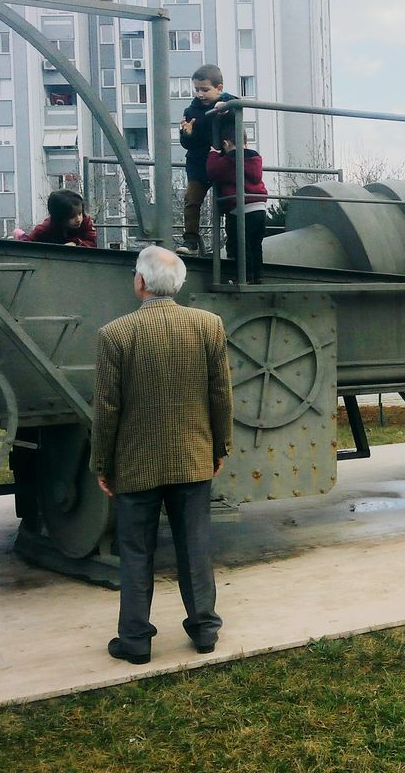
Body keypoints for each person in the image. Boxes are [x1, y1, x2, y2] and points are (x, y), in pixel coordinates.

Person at [91, 245, 232, 664]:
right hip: (193, 457)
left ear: (140, 282)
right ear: (180, 284)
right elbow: (220, 393)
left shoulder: (114, 335)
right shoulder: (209, 326)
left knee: (136, 551)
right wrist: (220, 445)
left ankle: (135, 641)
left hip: (136, 464)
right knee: (195, 545)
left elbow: (107, 409)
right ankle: (204, 630)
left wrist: (103, 463)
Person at [176, 64, 236, 255]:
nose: (200, 94)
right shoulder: (191, 111)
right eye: (197, 90)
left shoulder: (226, 104)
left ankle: (232, 242)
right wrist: (187, 134)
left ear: (219, 88)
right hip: (198, 165)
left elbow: (237, 107)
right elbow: (186, 144)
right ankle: (191, 241)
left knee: (228, 203)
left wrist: (225, 104)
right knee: (192, 201)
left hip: (221, 164)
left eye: (205, 90)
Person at [205, 132, 268, 283]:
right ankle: (258, 277)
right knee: (255, 245)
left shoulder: (231, 160)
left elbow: (212, 172)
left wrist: (213, 154)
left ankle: (244, 277)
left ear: (226, 144)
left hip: (240, 209)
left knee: (240, 246)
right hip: (259, 207)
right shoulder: (254, 159)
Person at [17, 189, 98, 247]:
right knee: (24, 238)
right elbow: (28, 243)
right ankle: (20, 235)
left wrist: (76, 243)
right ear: (60, 218)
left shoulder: (86, 221)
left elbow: (92, 242)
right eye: (72, 216)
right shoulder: (46, 228)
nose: (78, 219)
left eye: (80, 213)